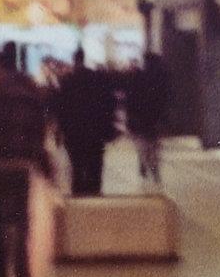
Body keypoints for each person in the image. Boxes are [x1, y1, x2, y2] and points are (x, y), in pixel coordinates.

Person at [0, 42, 51, 277]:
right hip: (21, 162)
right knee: (21, 217)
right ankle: (23, 274)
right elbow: (39, 126)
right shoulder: (29, 89)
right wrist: (38, 156)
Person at [53, 48, 117, 197]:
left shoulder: (67, 81)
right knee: (94, 167)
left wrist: (59, 130)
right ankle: (94, 196)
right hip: (95, 132)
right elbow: (108, 103)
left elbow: (60, 107)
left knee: (77, 167)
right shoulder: (97, 79)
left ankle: (79, 198)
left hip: (74, 133)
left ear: (74, 60)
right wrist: (109, 127)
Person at [125, 52, 170, 184]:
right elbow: (166, 98)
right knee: (154, 144)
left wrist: (130, 117)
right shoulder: (161, 77)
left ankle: (144, 163)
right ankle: (154, 168)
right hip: (155, 117)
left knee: (143, 143)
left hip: (141, 117)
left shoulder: (138, 77)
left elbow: (131, 99)